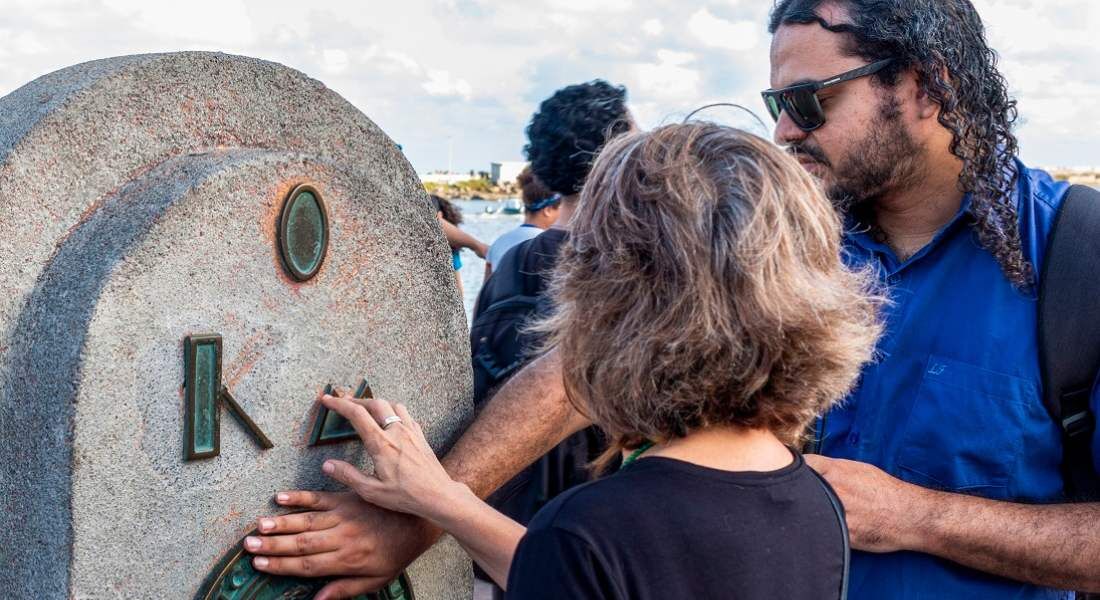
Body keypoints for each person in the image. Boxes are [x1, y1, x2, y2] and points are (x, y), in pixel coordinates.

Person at [249, 2, 1100, 598]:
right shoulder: (784, 228)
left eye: (809, 102)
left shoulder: (1079, 259)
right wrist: (418, 518)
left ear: (927, 85)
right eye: (775, 104)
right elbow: (583, 369)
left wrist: (921, 518)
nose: (784, 133)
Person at [312, 122, 879, 599]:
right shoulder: (818, 504)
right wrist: (444, 502)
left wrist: (442, 503)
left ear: (607, 301)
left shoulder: (585, 533)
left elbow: (581, 571)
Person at [468, 80, 631, 599]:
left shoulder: (513, 258)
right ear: (616, 151)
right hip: (593, 504)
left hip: (503, 497)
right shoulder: (624, 262)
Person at [482, 166, 561, 278]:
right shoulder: (551, 246)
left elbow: (485, 293)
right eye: (560, 208)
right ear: (547, 210)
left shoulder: (498, 243)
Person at [431, 194, 487, 299]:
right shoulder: (452, 246)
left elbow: (458, 286)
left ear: (441, 215)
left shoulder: (451, 247)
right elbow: (458, 287)